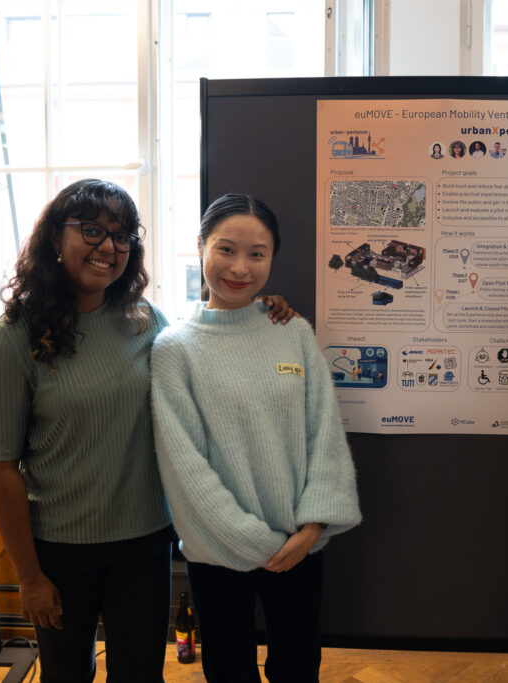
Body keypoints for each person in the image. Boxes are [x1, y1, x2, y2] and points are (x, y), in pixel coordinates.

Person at [0, 179, 294, 682]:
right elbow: (0, 467)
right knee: (66, 674)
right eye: (92, 231)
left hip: (145, 543)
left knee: (141, 674)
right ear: (55, 237)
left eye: (121, 236)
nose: (108, 247)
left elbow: (206, 358)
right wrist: (29, 577)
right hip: (61, 550)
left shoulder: (145, 320)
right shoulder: (12, 336)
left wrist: (261, 312)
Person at [151, 193, 361, 682]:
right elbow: (184, 465)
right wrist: (256, 542)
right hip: (218, 547)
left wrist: (312, 527)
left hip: (299, 542)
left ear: (272, 258)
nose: (240, 268)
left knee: (298, 665)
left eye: (257, 254)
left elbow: (324, 432)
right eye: (225, 249)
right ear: (200, 246)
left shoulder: (292, 331)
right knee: (229, 668)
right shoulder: (175, 348)